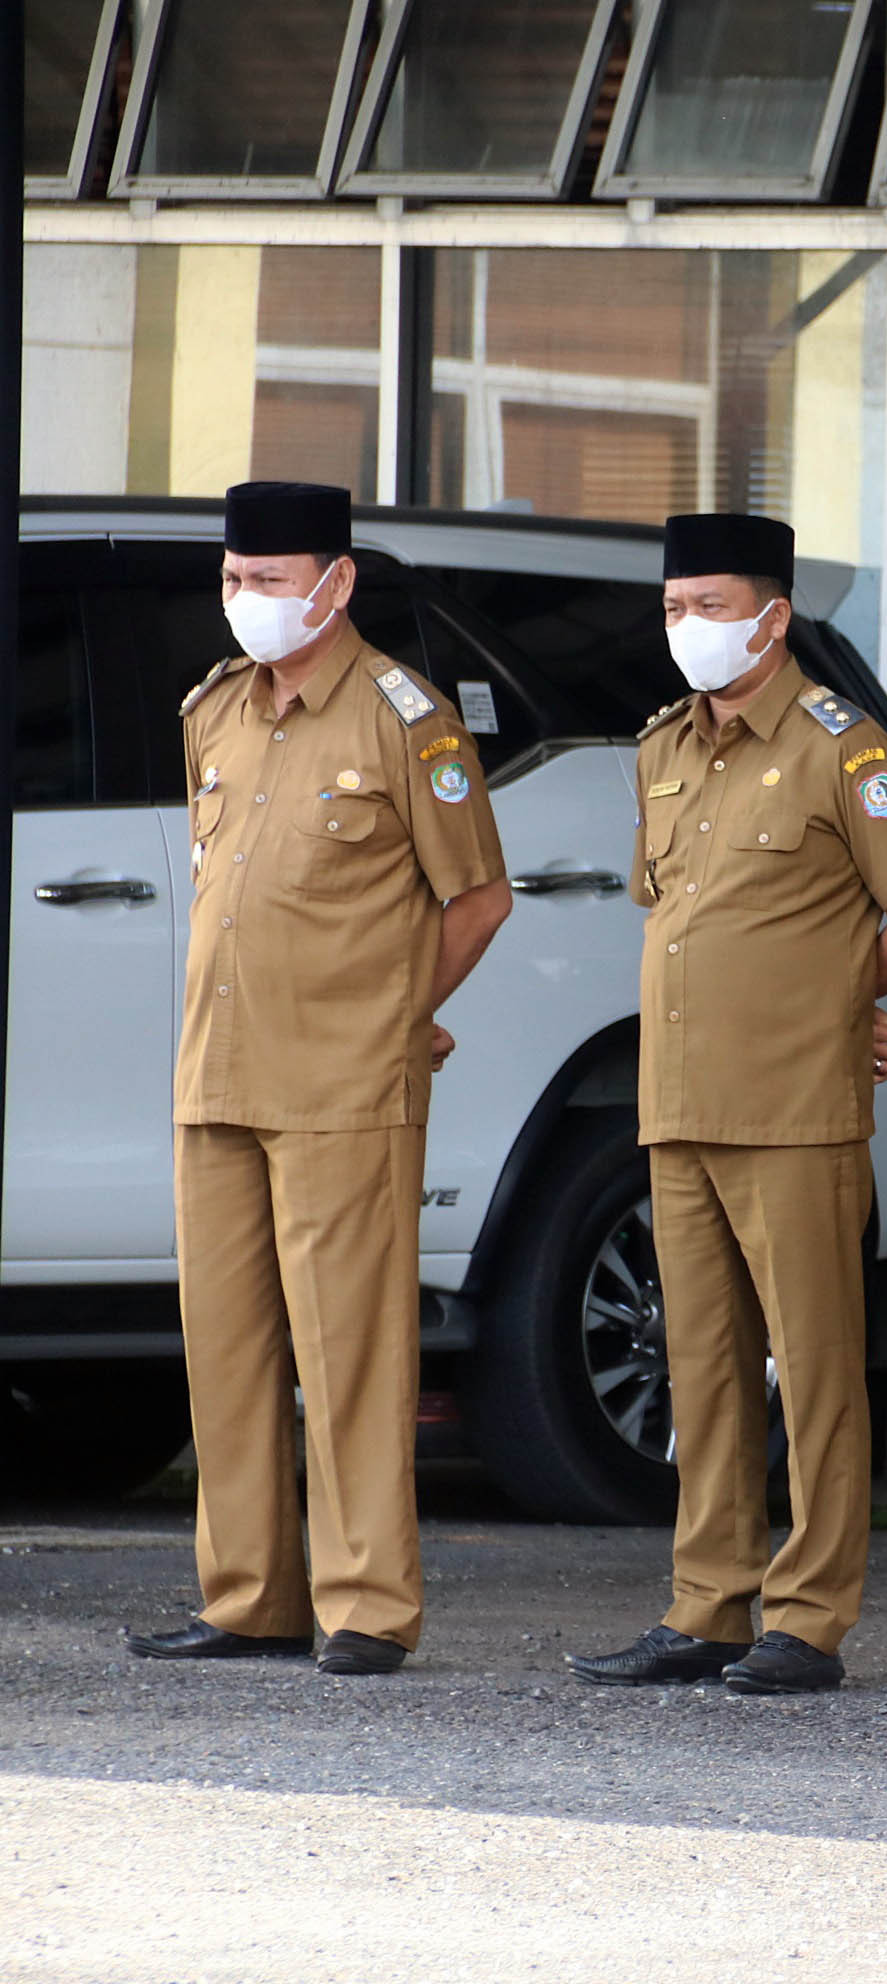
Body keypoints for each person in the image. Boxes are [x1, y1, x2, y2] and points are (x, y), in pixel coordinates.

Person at [128, 481, 512, 1677]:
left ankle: (366, 1606)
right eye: (235, 580)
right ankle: (248, 1595)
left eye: (272, 581)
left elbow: (480, 897)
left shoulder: (409, 721)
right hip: (219, 1072)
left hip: (345, 1084)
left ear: (336, 584)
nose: (248, 601)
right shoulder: (216, 711)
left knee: (348, 1350)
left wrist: (399, 1015)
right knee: (227, 1346)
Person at [570, 513, 887, 1697]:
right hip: (679, 1101)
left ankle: (811, 1614)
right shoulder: (663, 750)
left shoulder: (848, 750)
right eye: (676, 606)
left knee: (817, 1363)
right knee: (703, 1364)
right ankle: (706, 1604)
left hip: (795, 1106)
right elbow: (682, 913)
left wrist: (839, 1001)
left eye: (712, 606)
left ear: (773, 618)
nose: (688, 627)